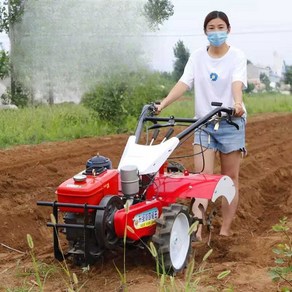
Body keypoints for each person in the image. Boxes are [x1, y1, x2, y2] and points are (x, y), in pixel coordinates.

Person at [156, 10, 247, 240]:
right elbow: (184, 83)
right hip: (205, 123)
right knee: (202, 178)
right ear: (205, 31)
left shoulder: (237, 56)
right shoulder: (197, 57)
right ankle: (196, 230)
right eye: (211, 28)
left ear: (228, 29)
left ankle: (225, 228)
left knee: (229, 177)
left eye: (220, 27)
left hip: (231, 123)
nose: (216, 32)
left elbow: (237, 84)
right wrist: (163, 103)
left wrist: (237, 102)